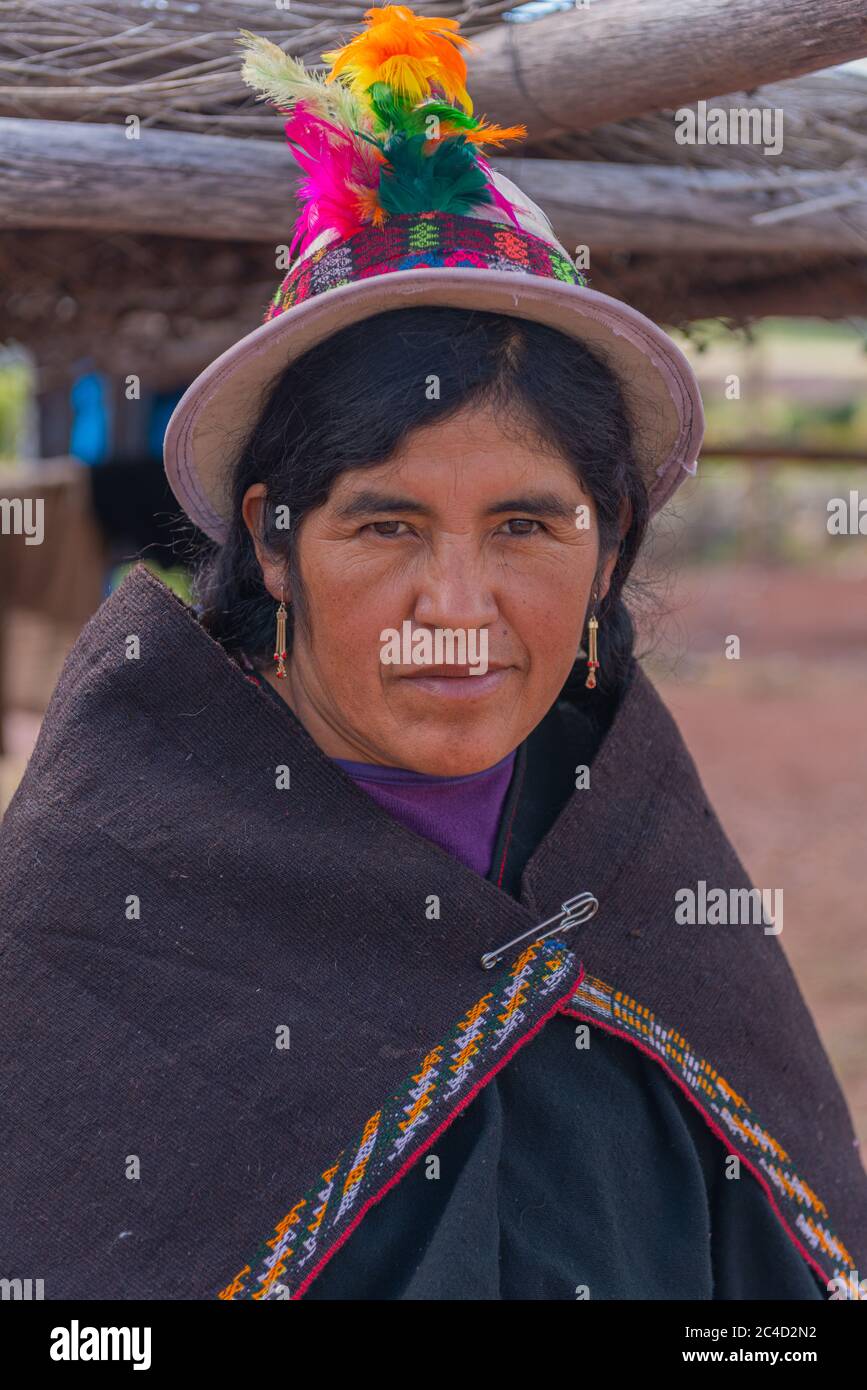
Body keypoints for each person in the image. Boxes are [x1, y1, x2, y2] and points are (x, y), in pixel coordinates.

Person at [1, 5, 865, 1302]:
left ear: (612, 541)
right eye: (386, 522)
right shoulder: (107, 884)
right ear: (277, 543)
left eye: (524, 523)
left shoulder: (641, 872)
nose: (454, 600)